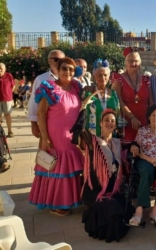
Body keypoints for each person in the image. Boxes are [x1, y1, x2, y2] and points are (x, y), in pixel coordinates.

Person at [70, 103, 134, 242]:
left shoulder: (118, 142)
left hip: (113, 191)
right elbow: (80, 128)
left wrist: (135, 147)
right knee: (111, 211)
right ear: (100, 123)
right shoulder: (93, 141)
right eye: (106, 120)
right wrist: (84, 107)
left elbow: (133, 145)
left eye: (112, 121)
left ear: (115, 125)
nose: (109, 123)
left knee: (121, 207)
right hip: (96, 191)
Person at [28, 57, 84, 216]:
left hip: (72, 135)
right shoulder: (50, 88)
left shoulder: (75, 87)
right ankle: (57, 203)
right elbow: (41, 113)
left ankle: (68, 200)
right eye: (64, 69)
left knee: (70, 168)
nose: (68, 72)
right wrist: (44, 137)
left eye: (71, 70)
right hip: (56, 135)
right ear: (57, 71)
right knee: (58, 168)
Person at [112, 47, 152, 147]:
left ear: (140, 63)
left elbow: (151, 101)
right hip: (126, 122)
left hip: (144, 121)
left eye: (136, 61)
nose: (133, 63)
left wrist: (151, 120)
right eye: (130, 61)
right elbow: (119, 101)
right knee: (127, 153)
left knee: (144, 149)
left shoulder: (146, 80)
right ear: (125, 62)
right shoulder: (118, 79)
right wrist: (132, 116)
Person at [27, 50, 65, 138]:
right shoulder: (41, 79)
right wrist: (34, 124)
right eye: (56, 59)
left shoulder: (71, 79)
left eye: (62, 60)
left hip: (67, 123)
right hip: (47, 123)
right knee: (48, 148)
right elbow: (33, 102)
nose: (59, 62)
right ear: (49, 61)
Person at [85, 59, 120, 136]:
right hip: (93, 134)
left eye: (105, 75)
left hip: (110, 134)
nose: (103, 77)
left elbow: (118, 113)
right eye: (99, 75)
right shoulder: (88, 93)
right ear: (94, 77)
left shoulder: (113, 93)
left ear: (109, 77)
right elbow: (82, 113)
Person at [0, 63, 15, 138]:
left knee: (7, 114)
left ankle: (10, 131)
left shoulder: (9, 76)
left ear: (5, 69)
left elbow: (13, 86)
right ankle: (0, 131)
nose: (0, 70)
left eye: (1, 68)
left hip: (7, 98)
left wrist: (8, 93)